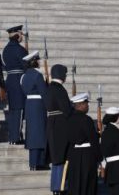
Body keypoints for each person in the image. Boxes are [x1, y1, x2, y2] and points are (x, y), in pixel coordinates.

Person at [66, 92, 102, 195]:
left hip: (74, 154)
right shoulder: (86, 119)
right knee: (87, 184)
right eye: (86, 103)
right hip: (86, 155)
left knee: (75, 182)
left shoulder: (69, 119)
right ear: (80, 105)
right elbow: (93, 139)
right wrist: (99, 157)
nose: (88, 106)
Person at [46, 64, 72, 194]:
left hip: (52, 123)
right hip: (61, 125)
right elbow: (66, 110)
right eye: (65, 74)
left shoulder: (50, 87)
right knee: (62, 157)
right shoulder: (59, 89)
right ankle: (61, 186)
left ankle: (56, 186)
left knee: (56, 158)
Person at [20, 51, 48, 170]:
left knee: (32, 134)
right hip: (38, 104)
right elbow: (44, 92)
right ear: (35, 61)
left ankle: (33, 163)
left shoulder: (24, 76)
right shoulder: (38, 75)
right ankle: (39, 162)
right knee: (39, 133)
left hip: (29, 104)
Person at [3, 25, 29, 145]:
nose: (22, 37)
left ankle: (13, 135)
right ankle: (16, 136)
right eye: (21, 34)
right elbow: (26, 65)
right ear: (17, 35)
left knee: (13, 109)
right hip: (19, 79)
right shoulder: (20, 50)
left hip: (10, 79)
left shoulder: (6, 49)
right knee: (18, 109)